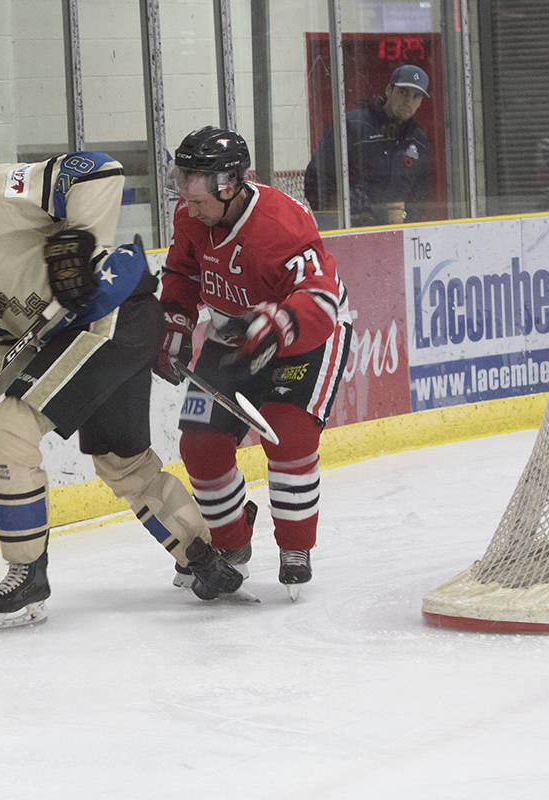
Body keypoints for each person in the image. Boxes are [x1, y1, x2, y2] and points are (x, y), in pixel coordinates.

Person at [0, 142, 244, 629]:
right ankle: (206, 556)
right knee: (122, 461)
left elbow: (97, 170)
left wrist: (79, 240)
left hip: (110, 313)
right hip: (102, 329)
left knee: (8, 432)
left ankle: (26, 575)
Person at [157, 126, 352, 597]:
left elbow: (320, 300)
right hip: (232, 335)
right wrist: (177, 322)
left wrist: (278, 324)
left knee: (289, 439)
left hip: (306, 335)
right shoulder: (193, 215)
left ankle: (295, 548)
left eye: (195, 188)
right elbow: (182, 272)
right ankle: (231, 547)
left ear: (229, 184)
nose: (187, 201)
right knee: (200, 447)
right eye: (182, 182)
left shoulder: (282, 223)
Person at [304, 64, 432, 226]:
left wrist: (410, 225)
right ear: (388, 90)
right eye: (403, 92)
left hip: (396, 236)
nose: (408, 101)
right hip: (353, 231)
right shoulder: (353, 126)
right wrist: (340, 220)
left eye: (416, 96)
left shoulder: (418, 140)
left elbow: (420, 194)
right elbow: (316, 178)